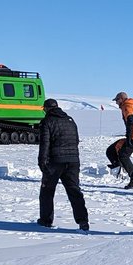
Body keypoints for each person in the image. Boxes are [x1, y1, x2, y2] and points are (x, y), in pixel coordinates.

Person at [36, 98, 90, 231]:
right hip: (73, 161)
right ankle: (83, 221)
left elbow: (45, 144)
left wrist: (42, 163)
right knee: (74, 191)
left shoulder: (47, 122)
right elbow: (76, 140)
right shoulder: (70, 120)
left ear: (47, 109)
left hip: (55, 162)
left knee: (47, 191)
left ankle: (46, 220)